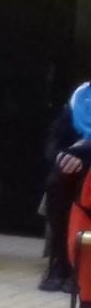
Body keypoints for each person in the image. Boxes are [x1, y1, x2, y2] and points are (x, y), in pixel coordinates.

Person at [39, 82, 91, 291]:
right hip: (75, 162)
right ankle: (62, 262)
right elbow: (55, 139)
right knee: (56, 184)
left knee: (83, 188)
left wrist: (82, 158)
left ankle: (81, 268)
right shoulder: (80, 96)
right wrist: (61, 156)